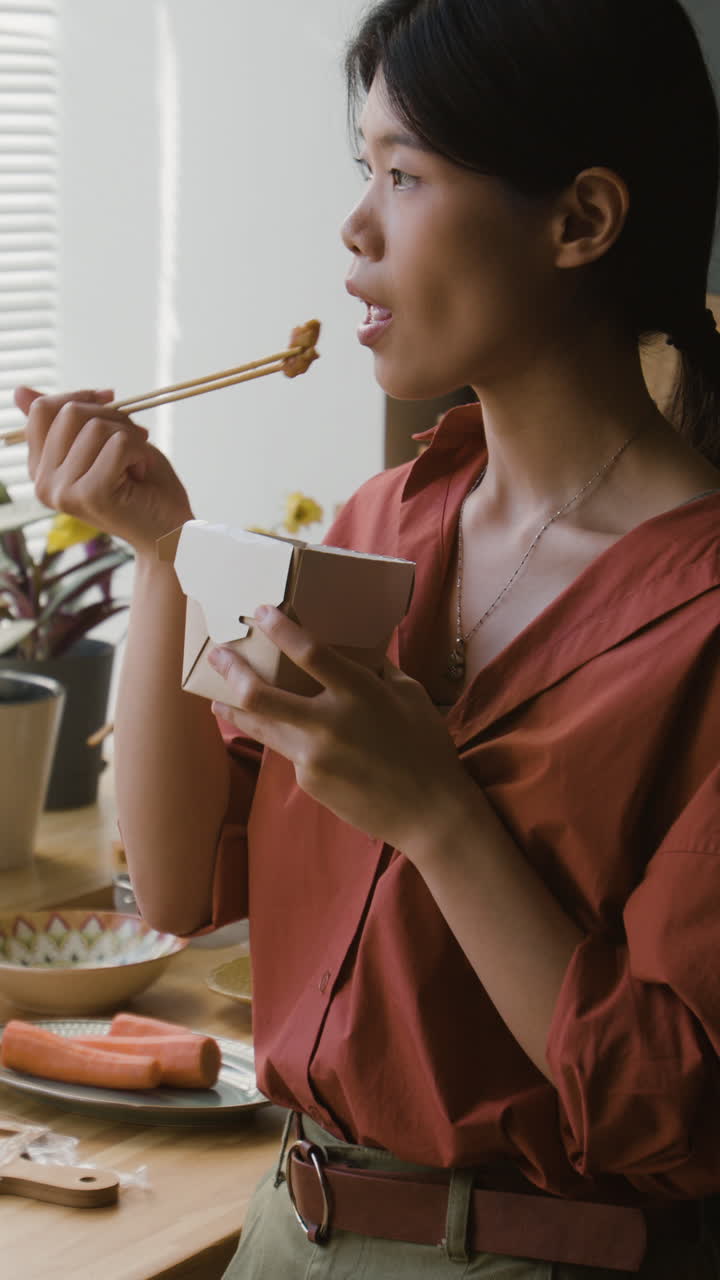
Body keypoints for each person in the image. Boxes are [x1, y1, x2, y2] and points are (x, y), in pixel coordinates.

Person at [15, 0, 720, 1274]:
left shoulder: (704, 615)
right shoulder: (379, 528)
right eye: (363, 168)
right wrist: (163, 547)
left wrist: (437, 813)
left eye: (404, 174)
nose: (355, 224)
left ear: (582, 220)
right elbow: (177, 884)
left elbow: (672, 1114)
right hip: (291, 1228)